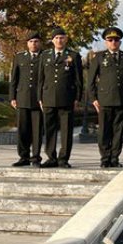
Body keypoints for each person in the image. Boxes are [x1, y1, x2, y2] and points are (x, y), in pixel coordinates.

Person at [87, 27, 123, 168]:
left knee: (118, 131)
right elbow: (90, 80)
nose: (113, 42)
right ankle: (105, 158)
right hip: (104, 100)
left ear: (120, 42)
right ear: (106, 42)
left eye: (116, 40)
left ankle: (115, 158)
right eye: (110, 40)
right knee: (104, 131)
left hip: (122, 99)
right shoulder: (99, 57)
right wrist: (93, 99)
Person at [38, 28, 83, 168]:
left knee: (66, 131)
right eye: (56, 38)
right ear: (52, 40)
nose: (59, 40)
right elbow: (41, 79)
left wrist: (77, 98)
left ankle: (63, 159)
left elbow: (79, 80)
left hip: (67, 98)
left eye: (62, 38)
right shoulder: (44, 55)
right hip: (48, 98)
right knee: (49, 130)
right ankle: (51, 158)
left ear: (66, 39)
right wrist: (40, 98)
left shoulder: (74, 56)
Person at [9, 31, 43, 167]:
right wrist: (12, 97)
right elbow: (14, 79)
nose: (33, 44)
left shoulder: (45, 57)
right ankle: (23, 157)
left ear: (40, 43)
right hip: (22, 98)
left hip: (38, 100)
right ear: (27, 43)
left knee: (37, 131)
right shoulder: (19, 57)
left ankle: (35, 158)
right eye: (31, 41)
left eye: (36, 41)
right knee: (23, 130)